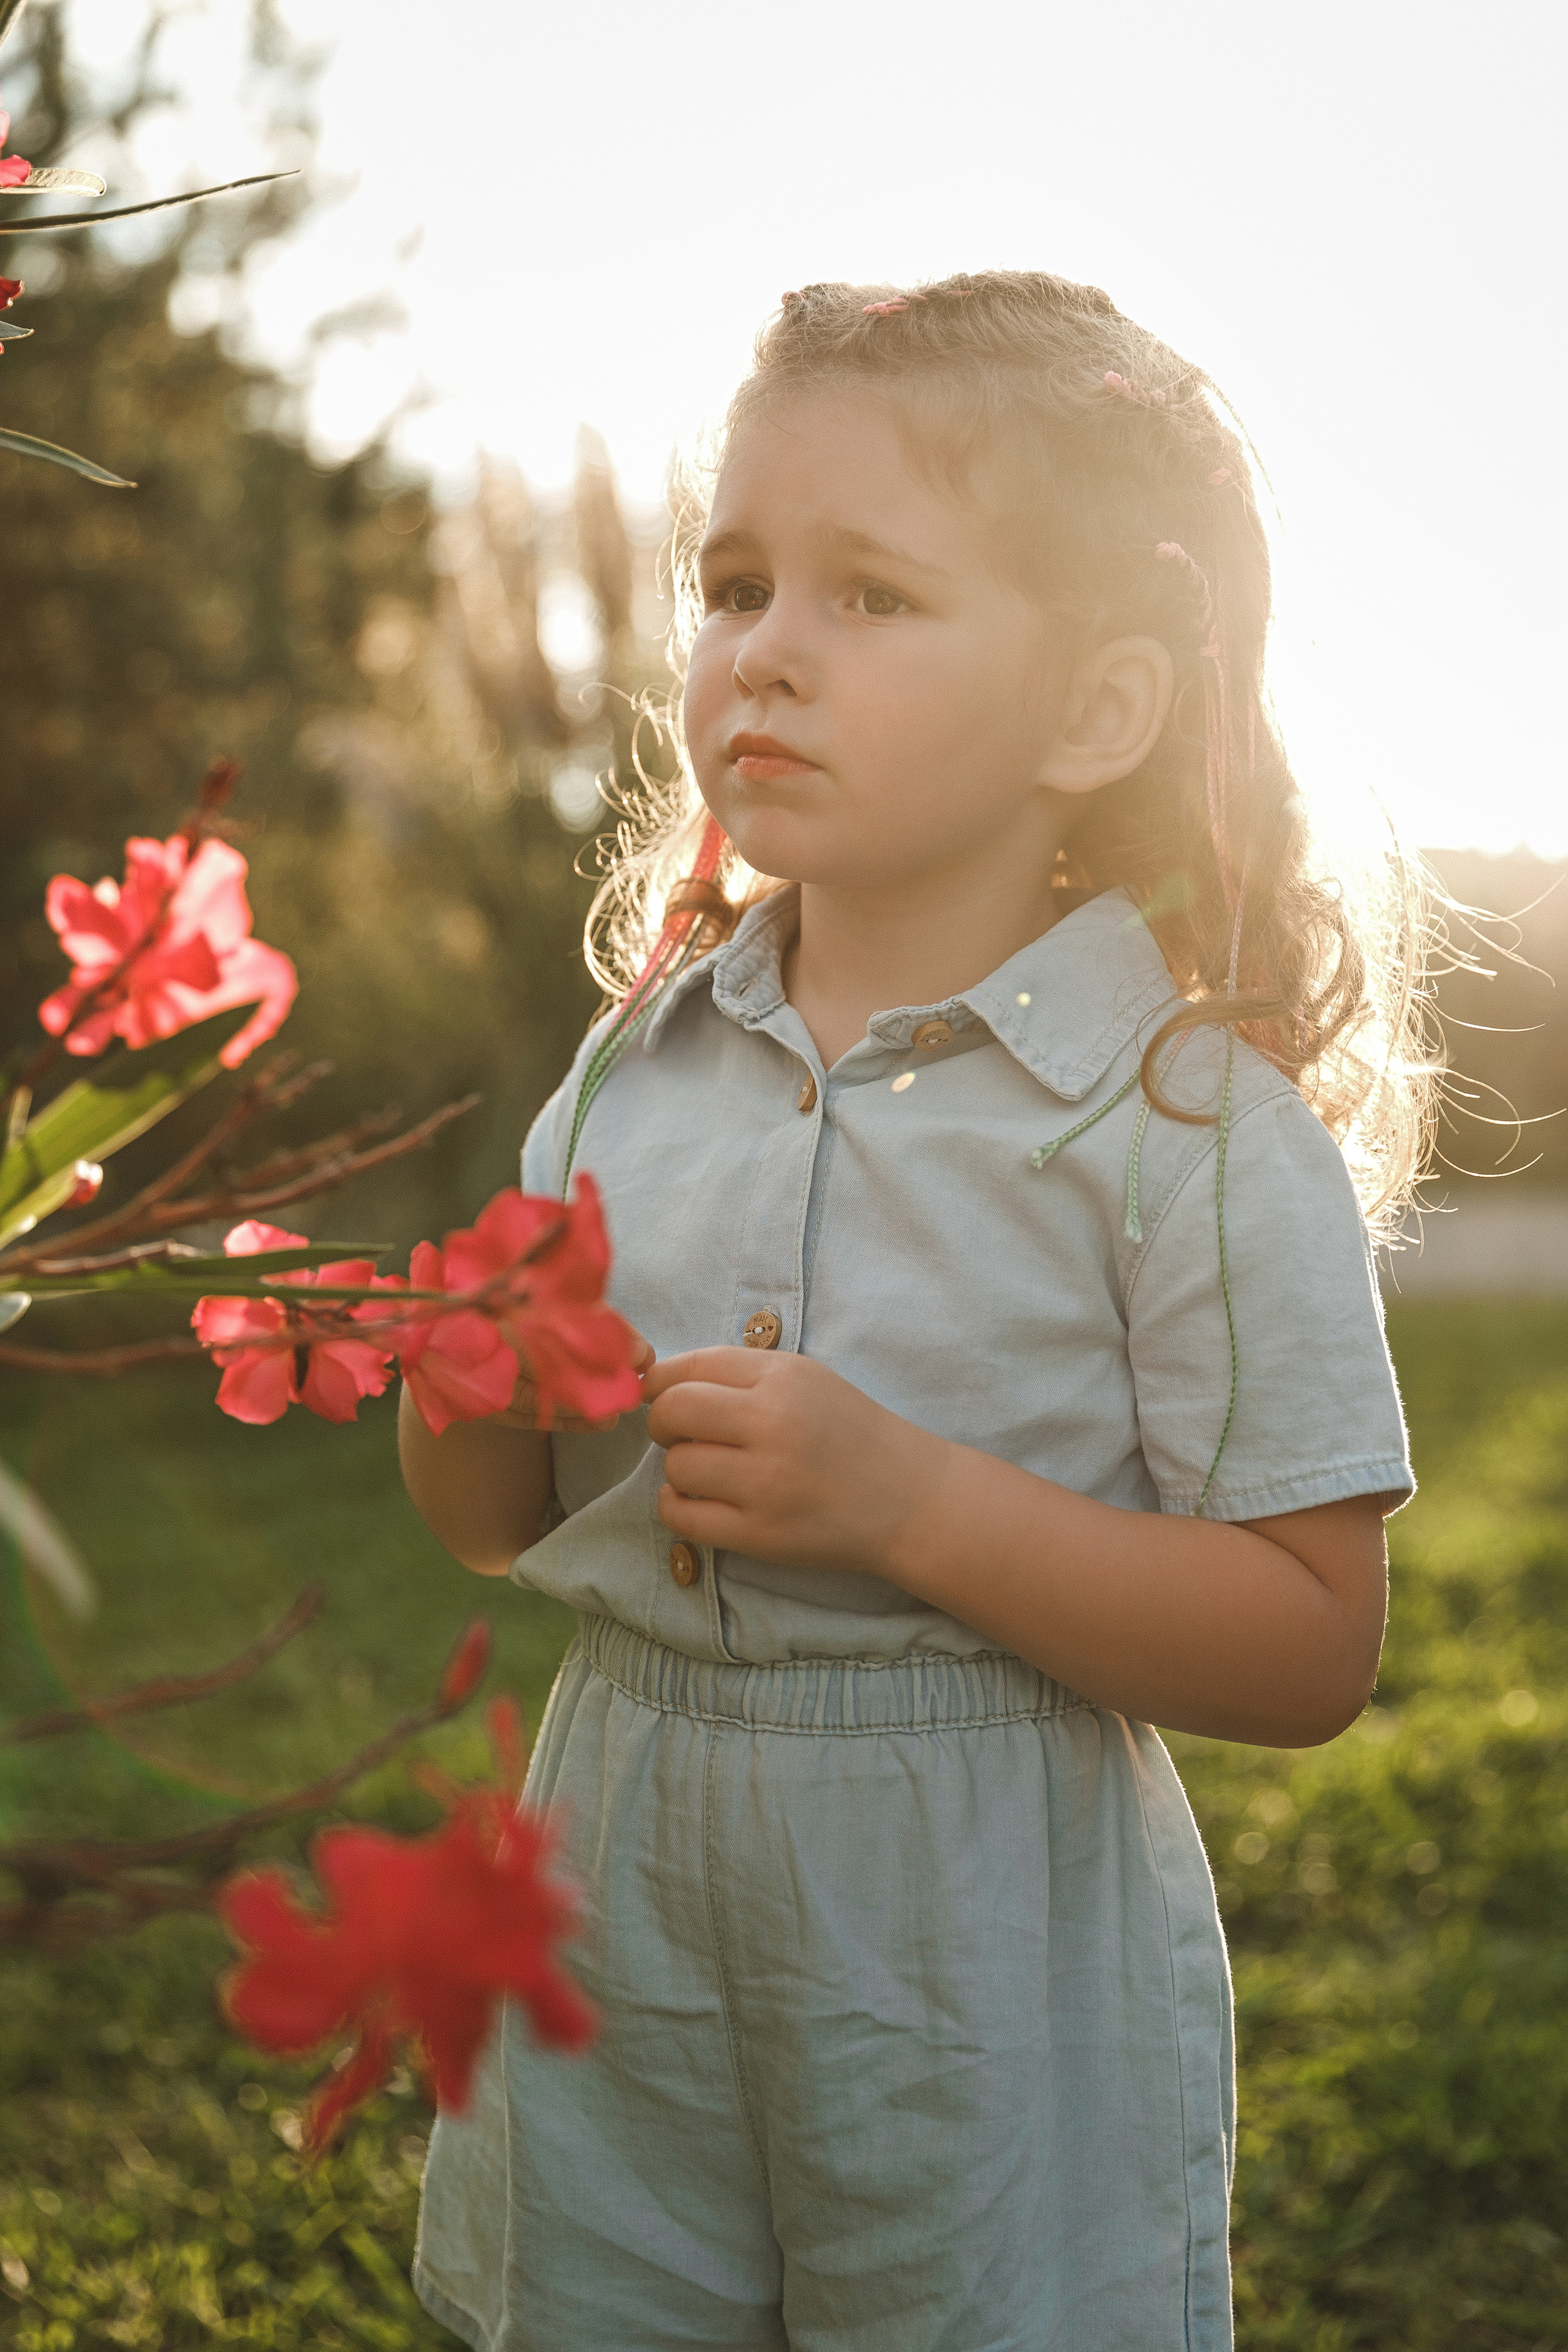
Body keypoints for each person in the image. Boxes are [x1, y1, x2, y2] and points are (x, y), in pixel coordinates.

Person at [400, 271, 1424, 2352]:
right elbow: (496, 1522)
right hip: (619, 1894)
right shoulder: (630, 1068)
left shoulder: (1185, 1127)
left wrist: (907, 1506)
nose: (765, 651)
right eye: (739, 581)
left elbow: (1313, 1640)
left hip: (971, 1947)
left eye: (872, 597)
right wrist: (461, 1384)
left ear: (1098, 713)